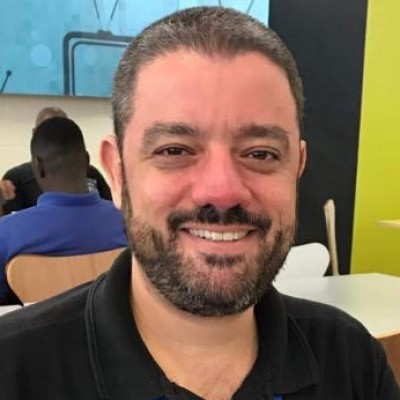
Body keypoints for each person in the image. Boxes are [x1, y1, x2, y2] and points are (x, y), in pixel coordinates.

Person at [0, 6, 398, 399]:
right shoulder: (12, 371)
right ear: (117, 174)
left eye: (260, 153)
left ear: (297, 168)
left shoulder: (352, 362)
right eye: (174, 150)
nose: (222, 191)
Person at [0, 117, 127, 305]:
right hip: (113, 323)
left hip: (41, 325)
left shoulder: (6, 234)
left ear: (38, 166)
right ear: (87, 162)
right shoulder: (129, 222)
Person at [1, 106, 112, 215]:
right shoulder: (16, 180)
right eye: (47, 134)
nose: (56, 139)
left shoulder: (91, 174)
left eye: (63, 133)